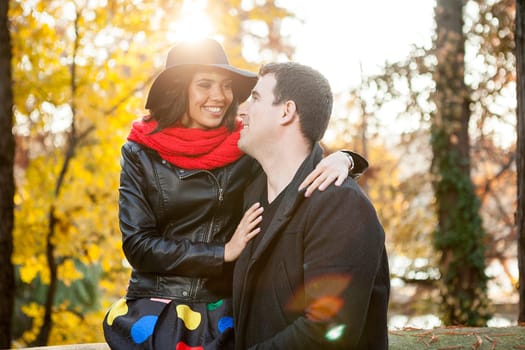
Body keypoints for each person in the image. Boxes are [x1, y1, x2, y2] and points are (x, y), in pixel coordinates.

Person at [102, 39, 367, 350]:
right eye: (205, 85)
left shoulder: (245, 144)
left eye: (226, 85)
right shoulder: (139, 152)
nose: (220, 96)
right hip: (158, 302)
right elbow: (137, 244)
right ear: (178, 88)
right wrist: (222, 252)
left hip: (224, 305)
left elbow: (294, 153)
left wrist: (345, 158)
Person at [232, 62, 390, 349]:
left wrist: (346, 159)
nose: (241, 110)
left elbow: (327, 333)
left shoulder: (339, 205)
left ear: (287, 111)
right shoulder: (251, 197)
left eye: (255, 98)